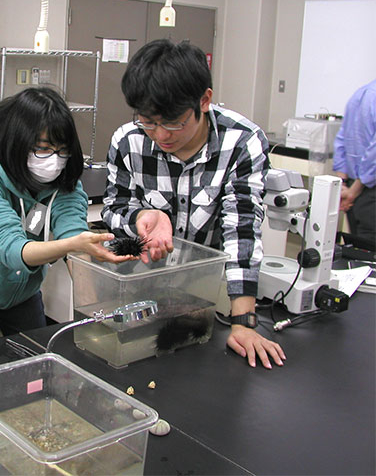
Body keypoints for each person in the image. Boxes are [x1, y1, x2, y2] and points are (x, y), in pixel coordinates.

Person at [102, 39, 286, 369]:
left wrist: (243, 322)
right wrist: (143, 215)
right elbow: (114, 208)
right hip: (141, 286)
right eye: (148, 120)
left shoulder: (241, 142)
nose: (160, 134)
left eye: (173, 121)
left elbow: (241, 228)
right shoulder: (128, 140)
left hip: (207, 293)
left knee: (199, 372)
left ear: (204, 100)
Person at [0, 87, 132, 338]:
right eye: (43, 149)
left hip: (21, 289)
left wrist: (95, 312)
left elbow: (73, 231)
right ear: (17, 141)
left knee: (35, 356)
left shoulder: (63, 175)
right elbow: (10, 247)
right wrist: (71, 244)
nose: (54, 160)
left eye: (62, 150)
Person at [333, 79, 376, 249]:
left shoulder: (360, 94)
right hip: (368, 190)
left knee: (357, 248)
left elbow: (342, 138)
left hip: (353, 187)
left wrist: (344, 184)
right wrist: (354, 190)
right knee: (370, 253)